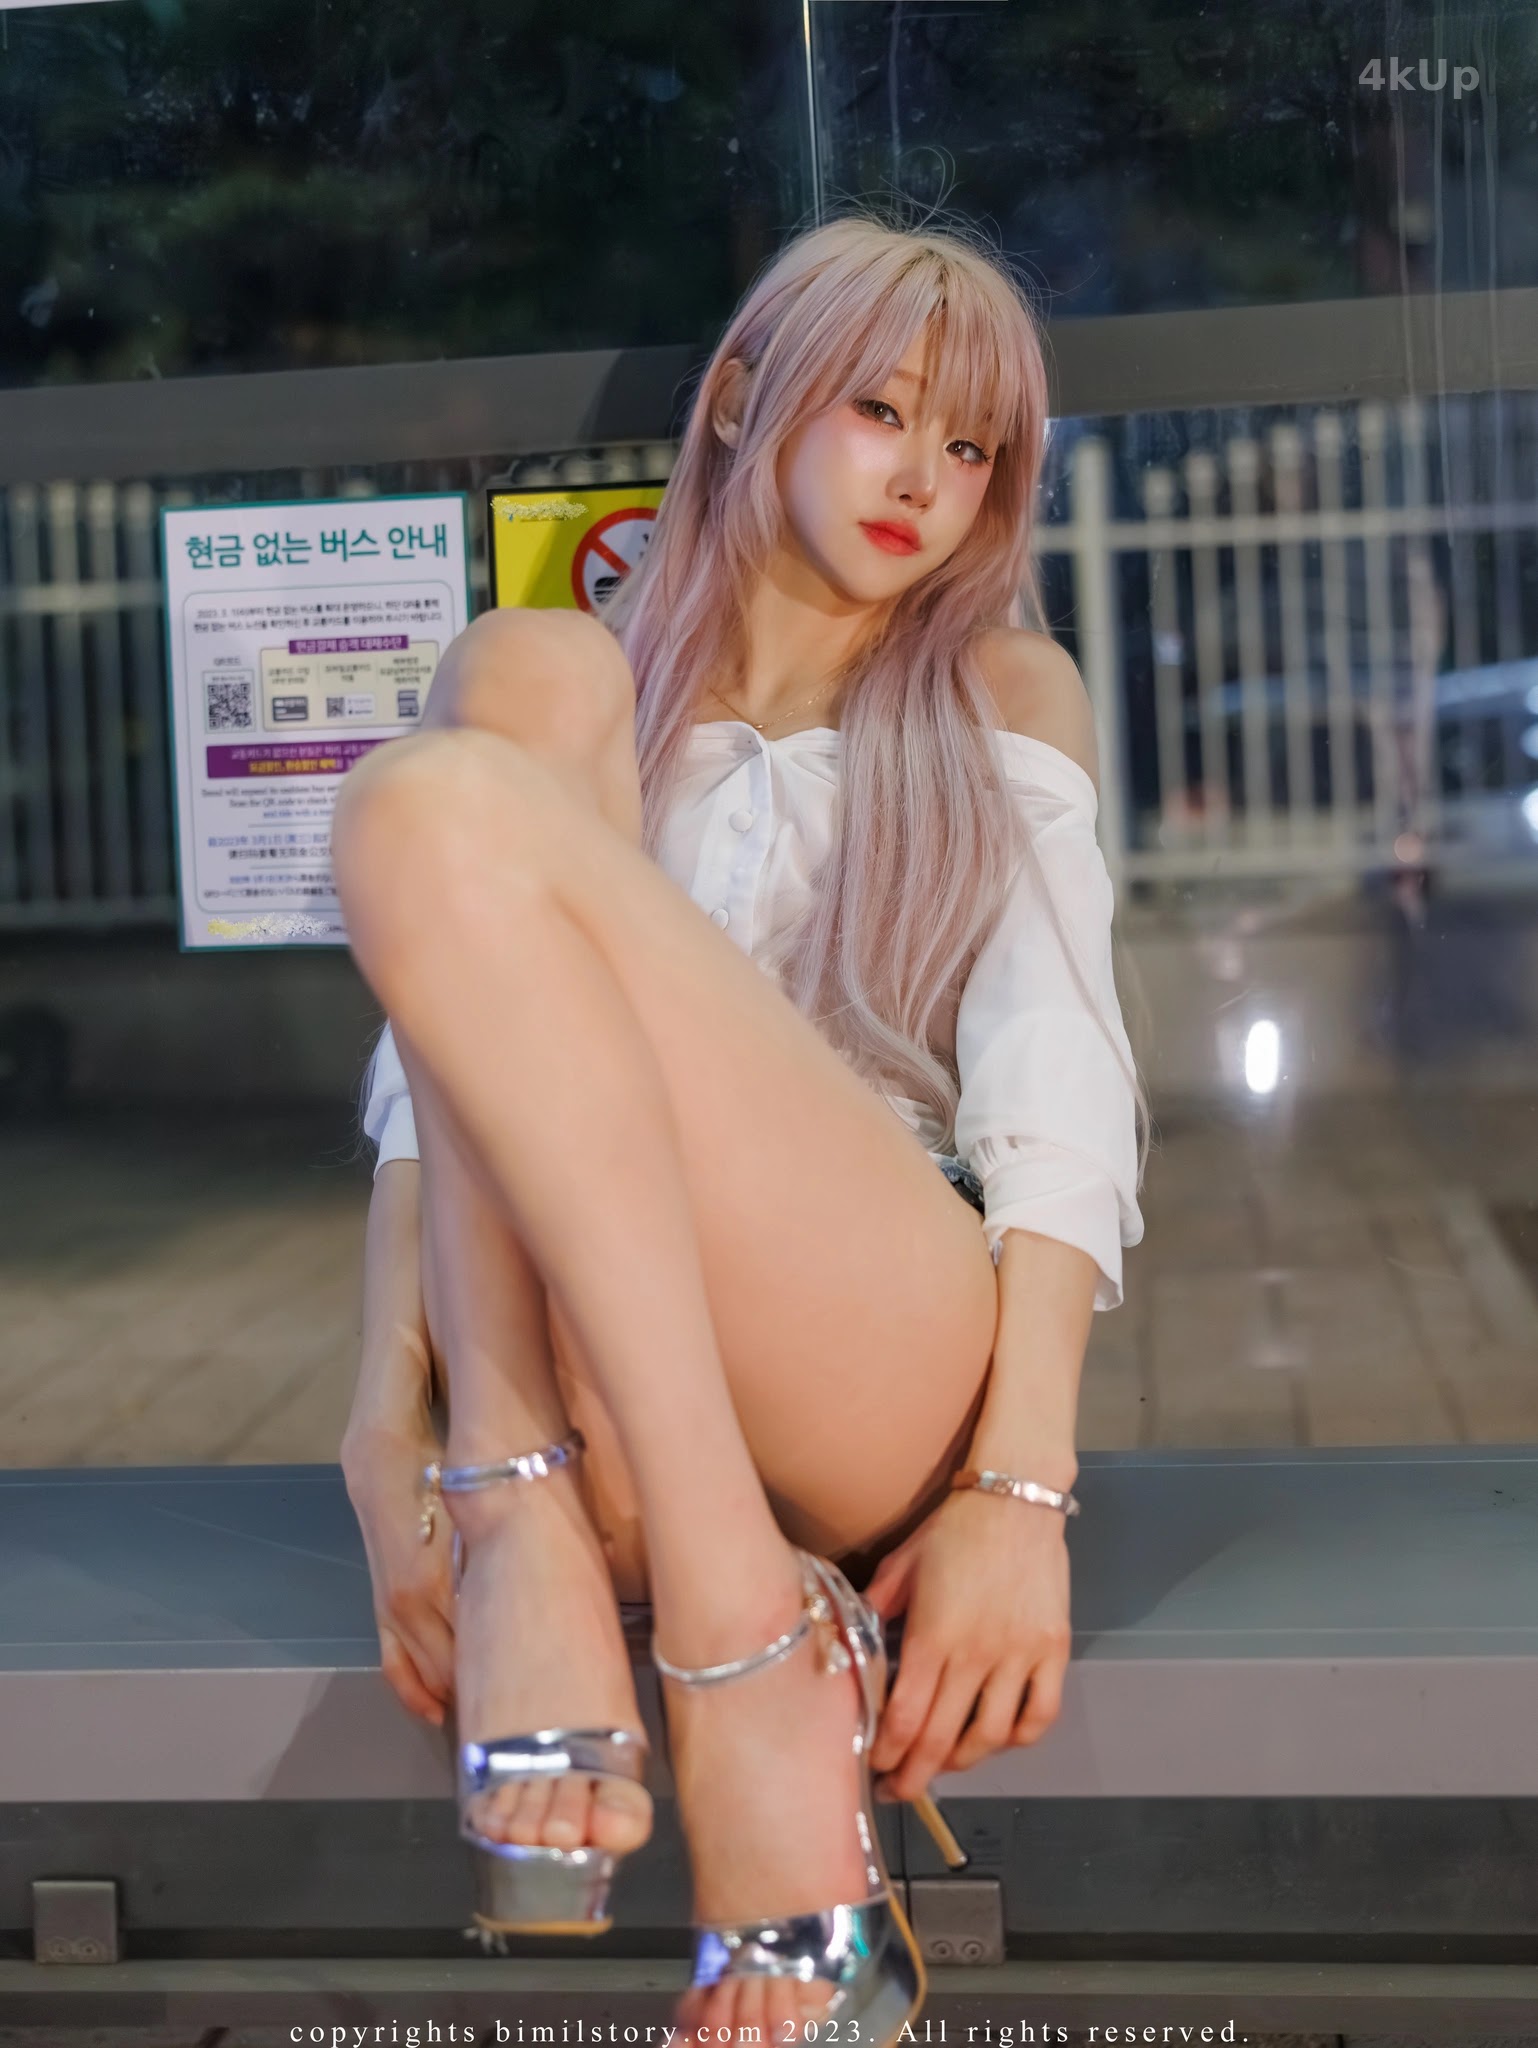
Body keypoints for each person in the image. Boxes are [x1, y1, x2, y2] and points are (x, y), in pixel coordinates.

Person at [331, 204, 1148, 2041]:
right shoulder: (590, 709)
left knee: (452, 775)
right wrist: (384, 1427)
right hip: (595, 1384)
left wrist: (1019, 1491)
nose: (924, 480)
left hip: (865, 1358)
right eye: (882, 412)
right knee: (509, 690)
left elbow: (1058, 1098)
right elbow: (432, 1101)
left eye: (972, 448)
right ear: (734, 403)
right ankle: (632, 1577)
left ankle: (690, 1609)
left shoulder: (998, 691)